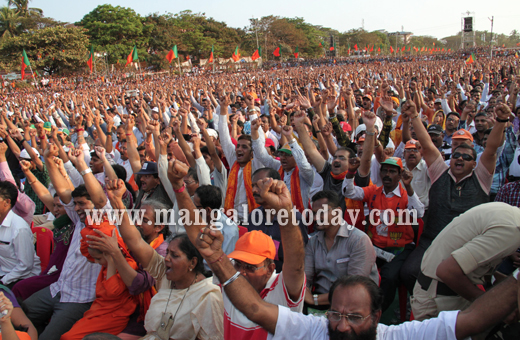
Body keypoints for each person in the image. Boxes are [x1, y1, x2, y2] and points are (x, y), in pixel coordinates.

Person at [190, 205, 520, 340]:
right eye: (335, 314)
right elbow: (254, 308)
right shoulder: (316, 330)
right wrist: (218, 259)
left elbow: (473, 321)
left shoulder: (397, 336)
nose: (342, 325)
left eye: (354, 317)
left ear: (378, 316)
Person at [167, 159, 305, 340]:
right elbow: (198, 233)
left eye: (250, 267)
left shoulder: (282, 290)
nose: (242, 273)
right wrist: (178, 187)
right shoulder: (231, 280)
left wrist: (285, 211)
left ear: (271, 269)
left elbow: (295, 266)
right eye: (238, 264)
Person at [399, 101, 508, 294]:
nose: (460, 158)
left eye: (467, 157)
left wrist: (500, 121)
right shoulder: (440, 172)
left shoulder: (482, 178)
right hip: (432, 240)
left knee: (458, 281)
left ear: (475, 164)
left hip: (468, 244)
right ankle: (422, 300)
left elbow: (491, 150)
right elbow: (427, 144)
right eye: (457, 155)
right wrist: (415, 116)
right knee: (408, 272)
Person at [104, 178, 224, 340]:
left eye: (174, 255)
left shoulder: (208, 296)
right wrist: (117, 202)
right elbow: (135, 241)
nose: (165, 258)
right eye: (167, 253)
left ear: (193, 263)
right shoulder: (164, 274)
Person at [24, 145, 109, 340]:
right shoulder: (79, 219)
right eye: (75, 203)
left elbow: (100, 200)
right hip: (58, 288)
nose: (76, 208)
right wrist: (47, 160)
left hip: (79, 299)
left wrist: (82, 166)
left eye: (82, 204)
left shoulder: (107, 220)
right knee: (18, 316)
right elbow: (63, 191)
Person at [343, 121, 424, 311]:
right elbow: (349, 193)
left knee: (388, 277)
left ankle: (377, 312)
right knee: (356, 270)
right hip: (374, 246)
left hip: (400, 249)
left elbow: (419, 213)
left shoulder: (406, 195)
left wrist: (409, 187)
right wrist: (351, 172)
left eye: (392, 171)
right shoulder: (373, 191)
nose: (388, 174)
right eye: (385, 170)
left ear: (399, 174)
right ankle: (357, 306)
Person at [411, 202, 520, 321]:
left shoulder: (511, 214)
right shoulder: (512, 231)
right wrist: (494, 306)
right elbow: (447, 271)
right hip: (438, 301)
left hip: (439, 291)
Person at [60, 220, 140, 340]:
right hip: (98, 311)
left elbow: (112, 292)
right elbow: (87, 253)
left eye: (98, 258)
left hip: (114, 316)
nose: (96, 262)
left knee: (69, 338)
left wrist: (112, 261)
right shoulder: (106, 264)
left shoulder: (128, 265)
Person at [304, 190, 377, 309]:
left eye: (321, 213)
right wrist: (305, 294)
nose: (316, 218)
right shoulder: (313, 241)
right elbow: (305, 278)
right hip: (321, 299)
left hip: (353, 303)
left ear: (337, 212)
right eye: (314, 213)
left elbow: (354, 288)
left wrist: (314, 300)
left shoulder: (359, 240)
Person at [247, 168, 308, 273]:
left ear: (275, 185)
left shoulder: (294, 218)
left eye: (259, 185)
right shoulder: (254, 216)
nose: (254, 191)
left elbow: (302, 258)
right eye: (253, 186)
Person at [0, 180, 40, 289]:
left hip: (20, 277)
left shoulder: (19, 228)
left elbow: (25, 266)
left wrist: (3, 281)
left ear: (7, 202)